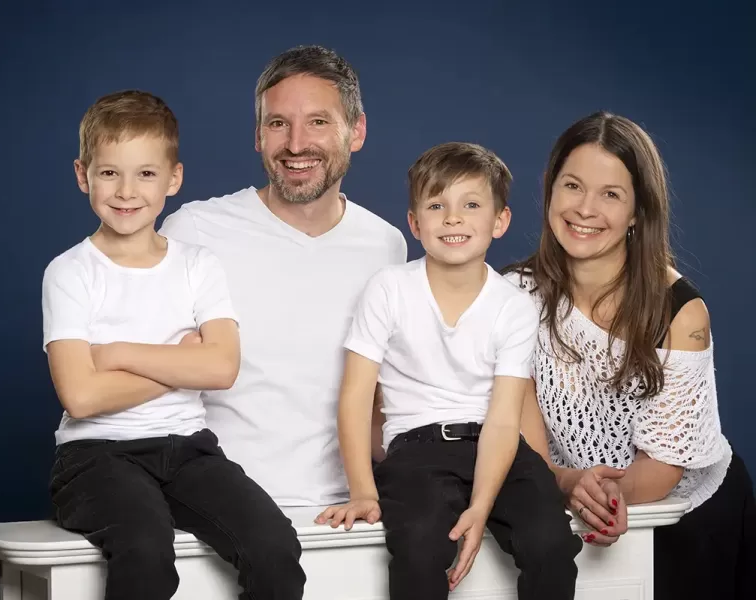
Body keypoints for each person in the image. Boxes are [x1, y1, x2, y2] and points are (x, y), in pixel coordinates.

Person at [41, 90, 305, 600]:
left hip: (189, 450)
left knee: (274, 545)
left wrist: (116, 354)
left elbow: (223, 367)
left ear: (173, 179)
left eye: (145, 173)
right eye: (109, 172)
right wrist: (182, 361)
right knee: (144, 548)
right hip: (95, 458)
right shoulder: (70, 272)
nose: (126, 191)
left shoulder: (197, 265)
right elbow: (82, 398)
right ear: (83, 175)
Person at [504, 111, 756, 600]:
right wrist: (568, 483)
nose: (585, 209)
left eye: (611, 194)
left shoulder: (681, 312)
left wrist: (601, 496)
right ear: (550, 189)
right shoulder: (515, 295)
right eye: (572, 186)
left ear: (639, 211)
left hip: (690, 517)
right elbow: (527, 440)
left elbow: (664, 468)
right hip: (577, 507)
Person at [316, 142, 582, 600]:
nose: (453, 218)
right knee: (419, 546)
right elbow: (355, 396)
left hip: (499, 448)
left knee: (550, 544)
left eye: (471, 205)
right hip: (417, 450)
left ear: (500, 221)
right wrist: (362, 490)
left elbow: (503, 418)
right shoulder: (389, 289)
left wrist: (481, 507)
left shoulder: (513, 308)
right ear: (415, 223)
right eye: (437, 205)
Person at [159, 45, 407, 506]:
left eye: (318, 121)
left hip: (345, 514)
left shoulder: (386, 245)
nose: (296, 144)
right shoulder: (193, 231)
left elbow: (380, 395)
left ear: (357, 131)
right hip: (211, 510)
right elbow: (151, 381)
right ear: (258, 135)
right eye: (278, 123)